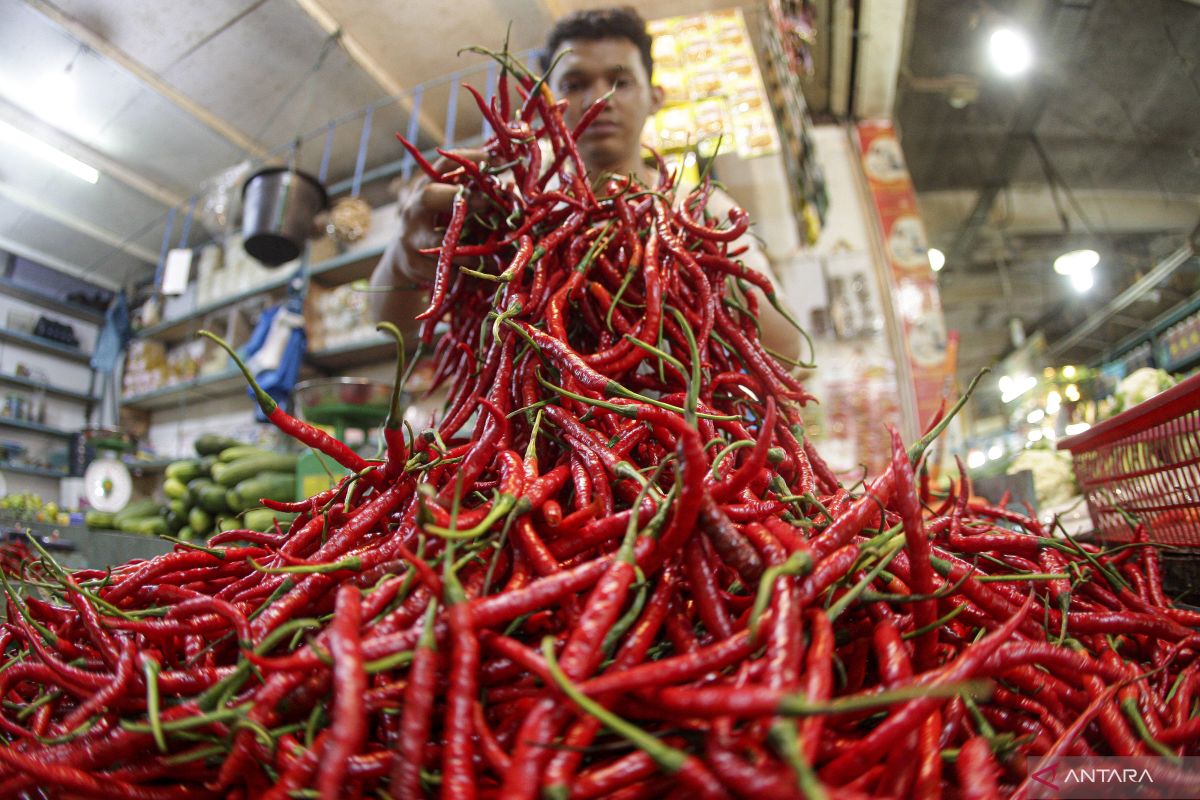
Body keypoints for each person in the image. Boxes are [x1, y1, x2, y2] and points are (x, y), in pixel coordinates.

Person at [369, 6, 800, 363]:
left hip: (672, 437)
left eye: (620, 82)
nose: (599, 99)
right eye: (575, 84)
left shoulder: (702, 210)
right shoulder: (505, 202)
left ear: (655, 97)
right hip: (529, 435)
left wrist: (696, 264)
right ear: (545, 104)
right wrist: (407, 253)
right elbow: (391, 326)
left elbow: (787, 353)